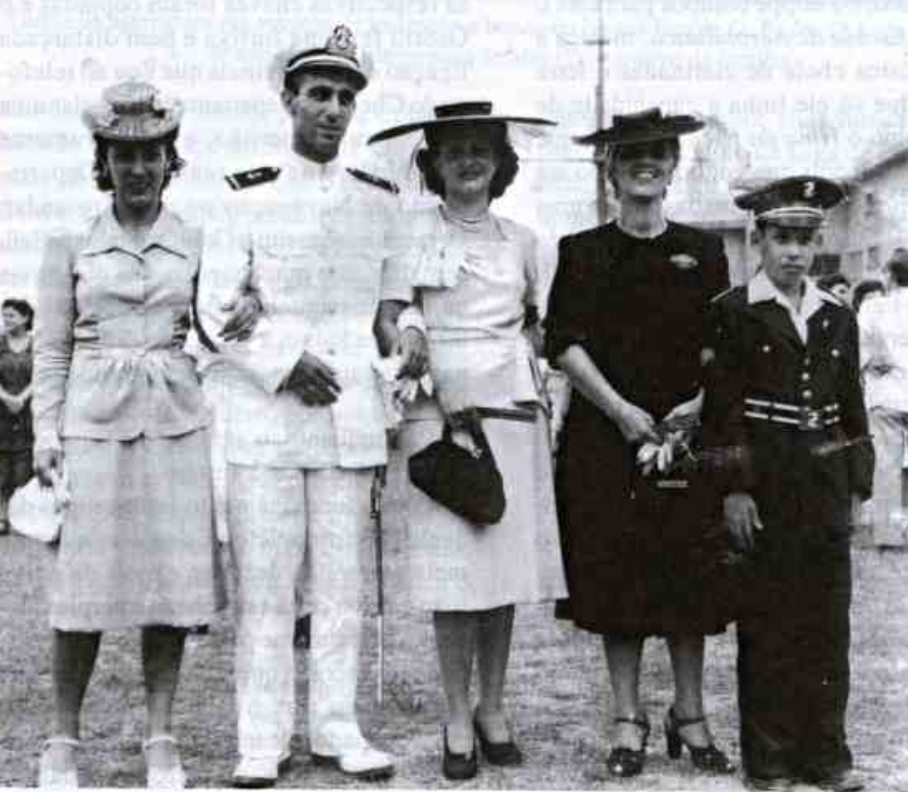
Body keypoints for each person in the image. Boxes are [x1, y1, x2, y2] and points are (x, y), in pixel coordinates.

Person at [196, 25, 424, 787]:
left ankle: (336, 728)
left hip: (350, 414)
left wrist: (412, 336)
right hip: (267, 415)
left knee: (340, 587)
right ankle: (261, 740)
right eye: (319, 94)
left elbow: (394, 302)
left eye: (345, 97)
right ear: (289, 99)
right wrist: (284, 364)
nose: (333, 109)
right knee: (264, 587)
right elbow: (215, 303)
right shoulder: (245, 191)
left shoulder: (380, 198)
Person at [32, 80, 226, 788]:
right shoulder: (71, 245)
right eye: (124, 155)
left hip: (176, 424)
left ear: (169, 160)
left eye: (151, 154)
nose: (138, 167)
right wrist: (44, 438)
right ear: (104, 160)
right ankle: (62, 742)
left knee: (170, 588)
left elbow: (215, 332)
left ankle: (161, 738)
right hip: (93, 426)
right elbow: (52, 351)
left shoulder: (198, 243)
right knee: (81, 591)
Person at [370, 101, 567, 781]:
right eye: (454, 149)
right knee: (453, 576)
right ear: (434, 161)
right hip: (438, 411)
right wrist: (413, 337)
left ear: (500, 160)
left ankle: (493, 707)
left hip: (508, 410)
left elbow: (538, 326)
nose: (469, 161)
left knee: (500, 573)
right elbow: (391, 315)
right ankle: (455, 714)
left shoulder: (523, 240)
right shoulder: (411, 229)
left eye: (481, 148)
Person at [545, 108, 735, 778]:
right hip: (605, 439)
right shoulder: (582, 250)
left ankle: (691, 712)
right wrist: (622, 411)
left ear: (674, 163)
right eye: (630, 156)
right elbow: (562, 343)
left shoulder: (706, 251)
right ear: (610, 168)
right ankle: (627, 718)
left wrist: (698, 405)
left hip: (686, 439)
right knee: (615, 580)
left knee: (689, 579)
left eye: (657, 153)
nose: (645, 164)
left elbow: (725, 346)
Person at [703, 175, 873, 791]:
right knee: (769, 623)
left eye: (805, 239)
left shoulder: (837, 316)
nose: (794, 252)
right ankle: (769, 761)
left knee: (826, 624)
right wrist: (734, 489)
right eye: (782, 238)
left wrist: (857, 484)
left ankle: (825, 756)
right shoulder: (733, 313)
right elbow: (721, 413)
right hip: (766, 482)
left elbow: (851, 407)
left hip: (824, 485)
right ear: (760, 239)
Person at [858, 250, 908, 549]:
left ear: (889, 275)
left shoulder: (874, 307)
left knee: (886, 464)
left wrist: (868, 365)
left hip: (887, 392)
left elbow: (860, 347)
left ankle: (887, 532)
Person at [0, 298, 34, 535]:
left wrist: (22, 398)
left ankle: (22, 516)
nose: (6, 320)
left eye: (11, 315)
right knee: (1, 463)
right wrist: (6, 398)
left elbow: (43, 374)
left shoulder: (37, 344)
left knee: (25, 463)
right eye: (4, 316)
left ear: (25, 317)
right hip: (1, 411)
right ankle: (1, 516)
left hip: (29, 411)